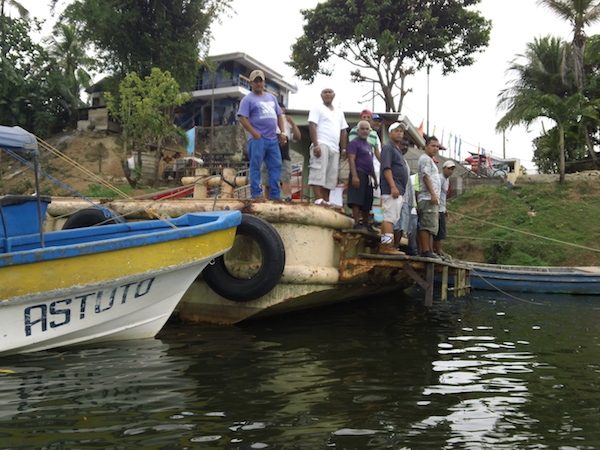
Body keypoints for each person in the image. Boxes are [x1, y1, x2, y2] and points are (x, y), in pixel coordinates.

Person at [237, 69, 287, 200]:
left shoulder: (272, 97)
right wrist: (254, 133)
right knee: (256, 166)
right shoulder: (247, 99)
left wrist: (282, 132)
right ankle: (256, 194)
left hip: (272, 138)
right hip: (258, 139)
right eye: (256, 82)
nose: (258, 84)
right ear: (251, 83)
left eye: (260, 81)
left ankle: (275, 196)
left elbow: (279, 115)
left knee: (276, 165)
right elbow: (242, 118)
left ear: (264, 82)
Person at [308, 88, 348, 205]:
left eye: (330, 92)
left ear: (334, 95)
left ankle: (326, 201)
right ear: (321, 95)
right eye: (325, 92)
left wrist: (343, 148)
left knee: (331, 177)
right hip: (321, 143)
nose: (327, 94)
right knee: (318, 171)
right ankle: (318, 199)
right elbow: (312, 125)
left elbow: (343, 131)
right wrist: (316, 144)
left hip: (335, 148)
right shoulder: (317, 108)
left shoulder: (339, 112)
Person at [378, 122, 409, 254]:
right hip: (392, 190)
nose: (399, 133)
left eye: (401, 131)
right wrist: (392, 186)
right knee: (388, 218)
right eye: (396, 131)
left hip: (398, 190)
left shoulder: (396, 149)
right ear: (390, 133)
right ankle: (387, 246)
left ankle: (386, 245)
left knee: (390, 218)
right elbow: (386, 167)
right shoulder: (388, 148)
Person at [261, 103, 301, 200]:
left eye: (281, 110)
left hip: (284, 157)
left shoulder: (286, 121)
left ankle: (286, 200)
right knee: (267, 182)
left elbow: (297, 137)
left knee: (285, 180)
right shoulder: (267, 120)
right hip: (268, 157)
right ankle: (267, 201)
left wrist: (292, 123)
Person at [346, 120, 377, 230]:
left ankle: (366, 223)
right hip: (358, 172)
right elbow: (351, 159)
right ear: (358, 131)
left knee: (367, 200)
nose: (364, 131)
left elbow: (371, 163)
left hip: (368, 175)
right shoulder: (354, 143)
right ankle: (356, 222)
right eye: (362, 129)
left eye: (366, 129)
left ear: (369, 131)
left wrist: (375, 178)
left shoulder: (369, 146)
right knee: (356, 199)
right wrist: (354, 175)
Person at [417, 136, 442, 259]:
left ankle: (429, 250)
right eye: (433, 146)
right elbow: (426, 176)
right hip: (427, 197)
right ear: (426, 146)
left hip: (431, 198)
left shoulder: (431, 160)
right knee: (426, 225)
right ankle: (425, 250)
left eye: (437, 146)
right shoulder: (425, 159)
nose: (435, 148)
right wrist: (432, 194)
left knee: (431, 226)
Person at [433, 160, 455, 258]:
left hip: (442, 208)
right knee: (437, 231)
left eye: (452, 169)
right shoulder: (440, 178)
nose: (450, 171)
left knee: (441, 231)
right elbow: (436, 193)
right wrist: (437, 208)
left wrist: (444, 208)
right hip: (437, 208)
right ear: (444, 169)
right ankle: (437, 250)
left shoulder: (447, 180)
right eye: (449, 169)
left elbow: (443, 196)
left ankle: (438, 250)